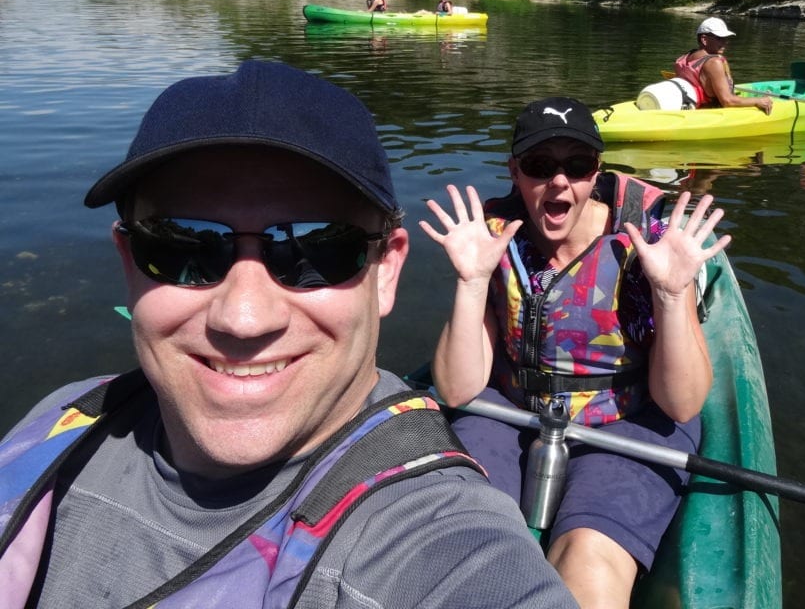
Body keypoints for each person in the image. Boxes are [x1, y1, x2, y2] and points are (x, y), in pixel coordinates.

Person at [0, 60, 578, 609]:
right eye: (181, 247)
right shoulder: (59, 422)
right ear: (129, 262)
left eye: (316, 249)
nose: (244, 318)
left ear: (386, 272)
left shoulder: (440, 544)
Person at [420, 97, 730, 609]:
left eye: (578, 166)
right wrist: (471, 280)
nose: (559, 183)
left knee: (588, 556)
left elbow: (681, 405)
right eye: (541, 167)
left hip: (629, 420)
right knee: (464, 541)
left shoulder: (646, 242)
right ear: (515, 172)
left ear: (596, 173)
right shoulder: (493, 241)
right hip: (509, 410)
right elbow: (458, 389)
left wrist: (673, 294)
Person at [673, 16, 773, 114]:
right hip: (710, 114)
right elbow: (727, 101)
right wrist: (758, 101)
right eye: (720, 38)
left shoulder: (685, 57)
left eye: (726, 38)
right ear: (704, 39)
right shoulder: (714, 63)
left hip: (691, 108)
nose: (725, 42)